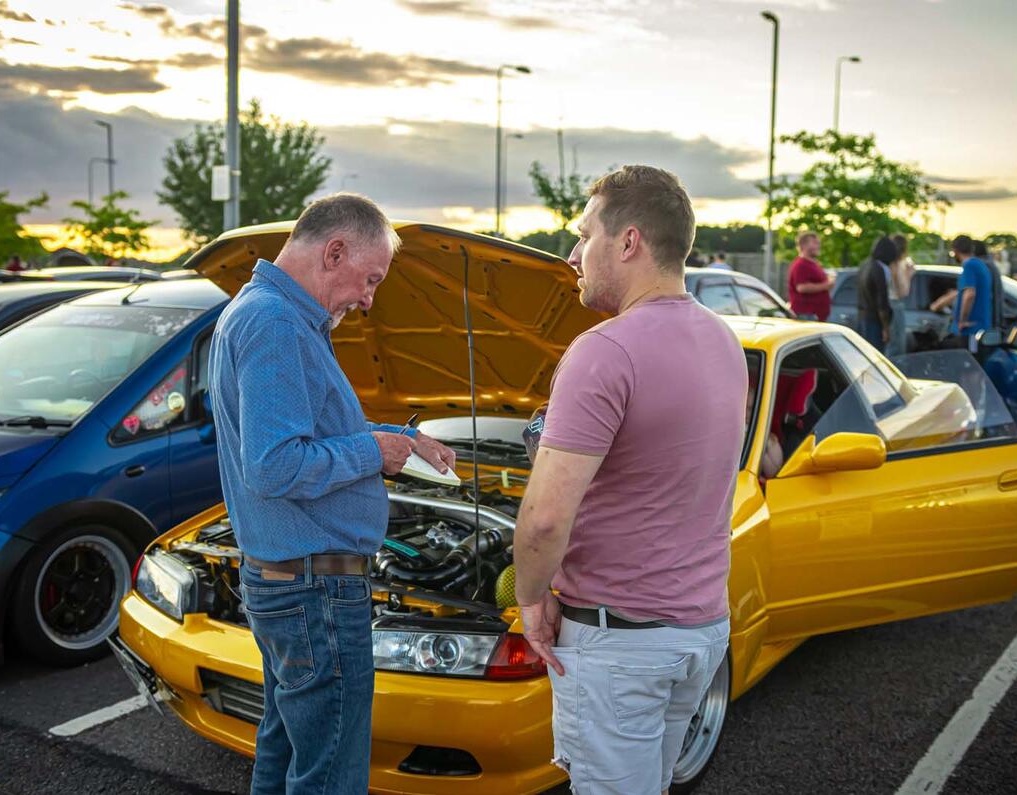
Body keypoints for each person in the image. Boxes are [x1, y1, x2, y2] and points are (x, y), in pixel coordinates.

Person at [207, 194, 456, 795]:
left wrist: (400, 438)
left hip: (289, 582)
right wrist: (377, 453)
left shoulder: (261, 310)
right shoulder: (276, 324)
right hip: (315, 590)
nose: (370, 300)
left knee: (289, 747)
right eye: (370, 280)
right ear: (334, 251)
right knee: (332, 775)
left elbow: (314, 431)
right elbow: (274, 465)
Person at [513, 165, 743, 795]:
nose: (573, 254)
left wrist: (530, 600)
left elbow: (543, 519)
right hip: (700, 633)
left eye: (585, 235)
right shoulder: (724, 341)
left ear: (629, 241)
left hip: (622, 647)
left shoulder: (603, 350)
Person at [929, 234, 994, 354]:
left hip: (971, 329)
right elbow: (963, 293)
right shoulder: (980, 265)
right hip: (979, 328)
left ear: (955, 250)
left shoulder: (969, 265)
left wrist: (962, 320)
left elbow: (969, 294)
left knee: (969, 368)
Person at [856, 235, 897, 353]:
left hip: (862, 317)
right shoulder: (880, 269)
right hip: (874, 321)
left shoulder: (864, 265)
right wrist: (886, 328)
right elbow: (882, 302)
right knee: (876, 356)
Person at [787, 231, 834, 321]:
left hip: (816, 315)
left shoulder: (813, 263)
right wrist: (826, 286)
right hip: (807, 315)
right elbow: (801, 287)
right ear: (804, 245)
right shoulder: (801, 264)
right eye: (815, 243)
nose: (818, 246)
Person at [886, 234, 915, 357]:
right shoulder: (896, 265)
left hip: (887, 304)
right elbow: (902, 292)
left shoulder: (887, 264)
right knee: (897, 346)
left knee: (891, 344)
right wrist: (909, 274)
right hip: (895, 305)